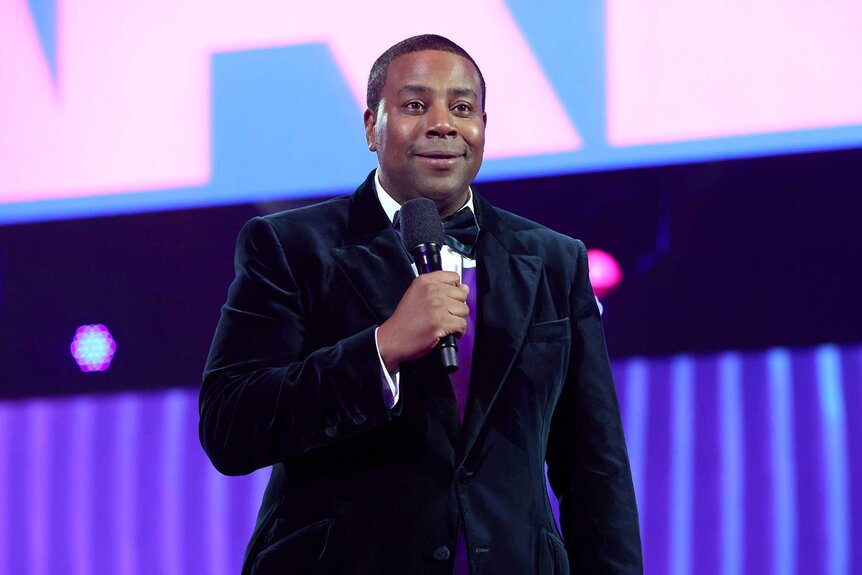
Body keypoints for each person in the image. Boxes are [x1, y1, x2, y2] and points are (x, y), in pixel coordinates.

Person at [200, 34, 642, 575]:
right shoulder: (290, 247)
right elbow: (230, 426)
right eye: (415, 105)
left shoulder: (553, 260)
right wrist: (380, 350)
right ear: (371, 126)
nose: (443, 124)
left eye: (462, 108)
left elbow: (595, 470)